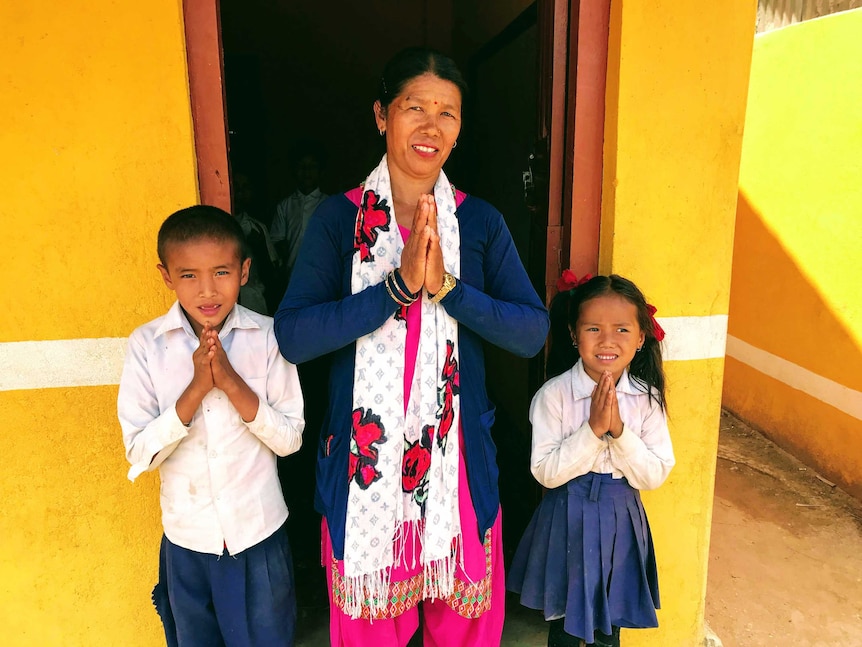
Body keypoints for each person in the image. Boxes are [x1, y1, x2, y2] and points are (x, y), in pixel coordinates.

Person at [274, 47, 549, 647]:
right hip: (363, 473)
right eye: (413, 108)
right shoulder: (335, 220)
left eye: (447, 113)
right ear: (381, 115)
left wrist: (449, 289)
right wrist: (393, 289)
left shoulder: (478, 222)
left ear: (459, 128)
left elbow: (530, 333)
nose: (431, 126)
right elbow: (294, 336)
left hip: (457, 473)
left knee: (462, 633)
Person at [117, 205, 305, 647]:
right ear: (166, 276)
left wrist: (232, 383)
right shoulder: (147, 346)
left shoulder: (267, 337)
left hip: (257, 535)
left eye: (221, 272)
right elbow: (140, 452)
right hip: (188, 540)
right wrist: (197, 388)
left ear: (244, 271)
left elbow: (291, 440)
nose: (207, 290)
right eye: (188, 275)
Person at [507, 272, 675, 647]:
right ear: (573, 334)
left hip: (621, 519)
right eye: (594, 329)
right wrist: (592, 432)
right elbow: (546, 473)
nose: (607, 342)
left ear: (641, 337)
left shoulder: (646, 401)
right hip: (567, 516)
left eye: (622, 331)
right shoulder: (555, 396)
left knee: (608, 628)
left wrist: (618, 431)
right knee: (565, 626)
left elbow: (654, 474)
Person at [270, 142, 328, 289]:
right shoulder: (285, 205)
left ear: (321, 171)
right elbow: (276, 240)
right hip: (292, 275)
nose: (306, 172)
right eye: (302, 167)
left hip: (323, 274)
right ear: (294, 171)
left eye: (312, 167)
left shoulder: (329, 204)